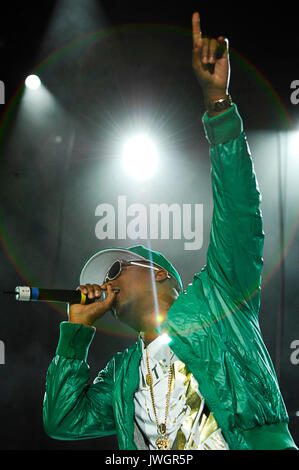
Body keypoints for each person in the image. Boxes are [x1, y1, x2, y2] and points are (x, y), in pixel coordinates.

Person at [42, 12, 297, 450]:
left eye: (116, 268)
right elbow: (64, 419)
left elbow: (239, 215)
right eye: (103, 278)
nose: (105, 284)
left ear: (159, 273)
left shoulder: (218, 304)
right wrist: (77, 330)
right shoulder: (123, 375)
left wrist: (218, 103)